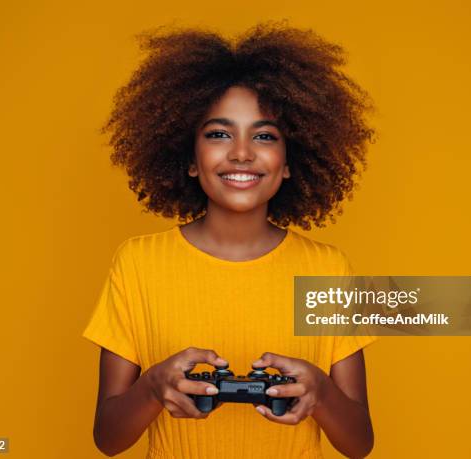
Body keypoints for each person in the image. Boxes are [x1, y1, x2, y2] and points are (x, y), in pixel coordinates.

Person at [82, 22, 377, 459]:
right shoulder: (137, 263)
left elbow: (360, 444)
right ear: (190, 160)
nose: (241, 153)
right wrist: (153, 387)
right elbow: (107, 438)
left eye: (264, 136)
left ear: (290, 162)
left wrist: (321, 393)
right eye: (219, 134)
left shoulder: (328, 269)